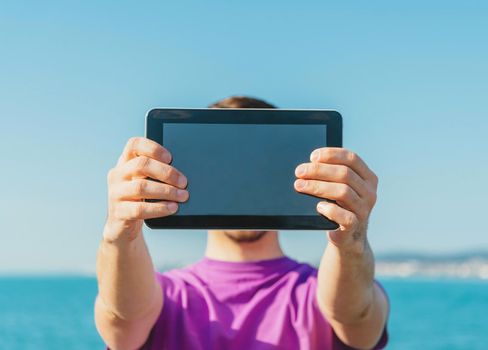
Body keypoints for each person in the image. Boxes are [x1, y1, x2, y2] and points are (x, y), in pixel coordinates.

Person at [95, 96, 389, 350]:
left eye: (260, 166)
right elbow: (122, 319)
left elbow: (356, 316)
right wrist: (120, 235)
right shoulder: (166, 294)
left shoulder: (324, 288)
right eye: (225, 165)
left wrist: (351, 239)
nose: (244, 182)